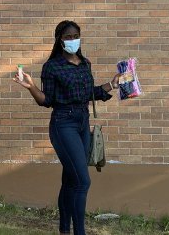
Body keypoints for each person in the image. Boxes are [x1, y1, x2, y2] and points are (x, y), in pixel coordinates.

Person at [13, 20, 121, 235]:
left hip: (82, 122)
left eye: (76, 36)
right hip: (63, 124)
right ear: (60, 40)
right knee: (82, 181)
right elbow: (47, 100)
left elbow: (91, 93)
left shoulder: (84, 63)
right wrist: (31, 87)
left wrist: (112, 84)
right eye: (68, 37)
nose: (73, 40)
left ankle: (64, 230)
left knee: (71, 179)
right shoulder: (52, 66)